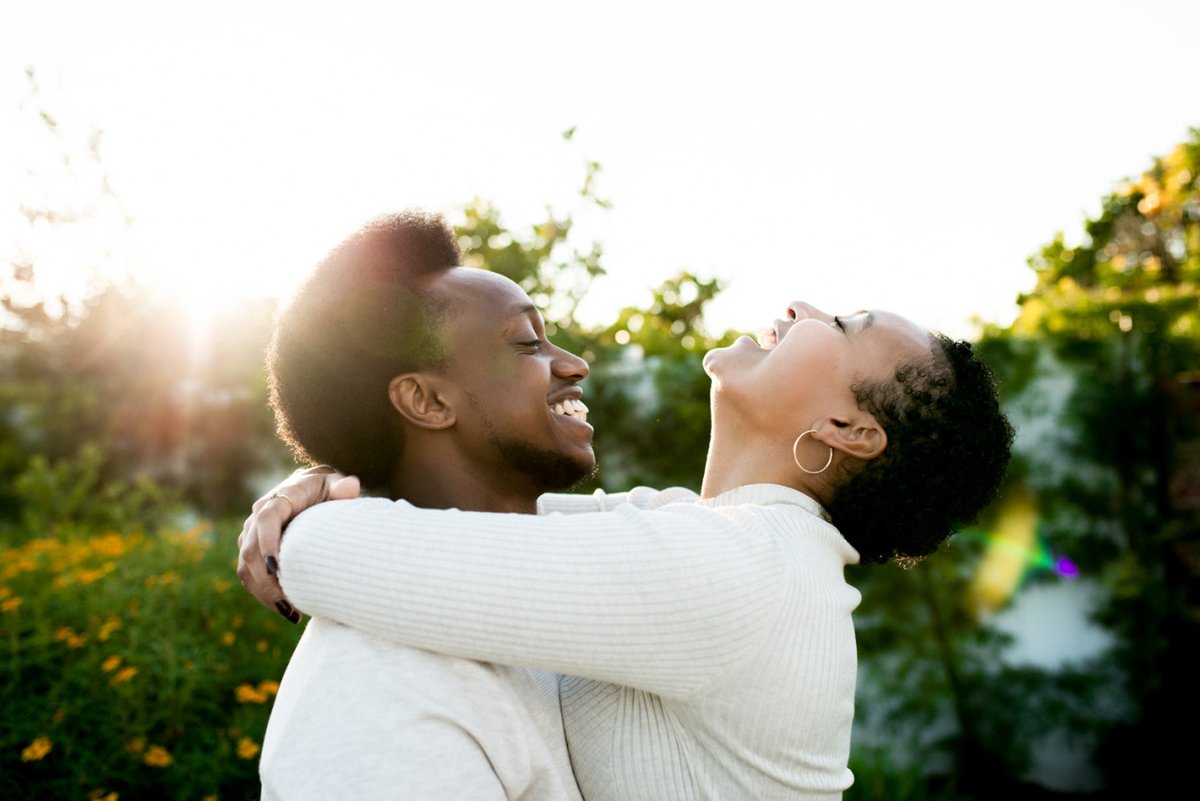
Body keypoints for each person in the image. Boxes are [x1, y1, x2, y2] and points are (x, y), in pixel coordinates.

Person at [239, 219, 1015, 800]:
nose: (802, 307)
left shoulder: (744, 571)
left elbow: (324, 554)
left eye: (841, 326)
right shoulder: (722, 541)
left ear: (848, 428)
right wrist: (335, 480)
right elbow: (506, 529)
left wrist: (302, 519)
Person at [246, 210, 595, 800]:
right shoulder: (374, 706)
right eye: (526, 342)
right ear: (427, 401)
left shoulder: (553, 589)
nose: (573, 363)